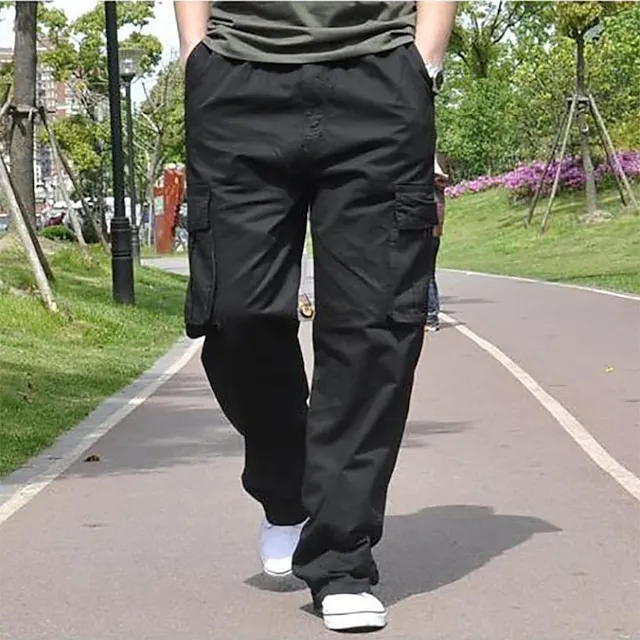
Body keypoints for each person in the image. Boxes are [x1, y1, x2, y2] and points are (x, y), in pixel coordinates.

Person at [174, 1, 457, 632]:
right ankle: (287, 487)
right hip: (236, 77)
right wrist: (196, 56)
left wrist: (425, 62)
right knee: (235, 312)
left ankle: (341, 559)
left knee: (374, 327)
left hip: (380, 78)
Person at [426, 154, 449, 331]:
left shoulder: (429, 187)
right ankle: (430, 314)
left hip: (428, 232)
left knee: (426, 274)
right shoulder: (438, 188)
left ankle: (431, 315)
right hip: (434, 232)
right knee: (428, 274)